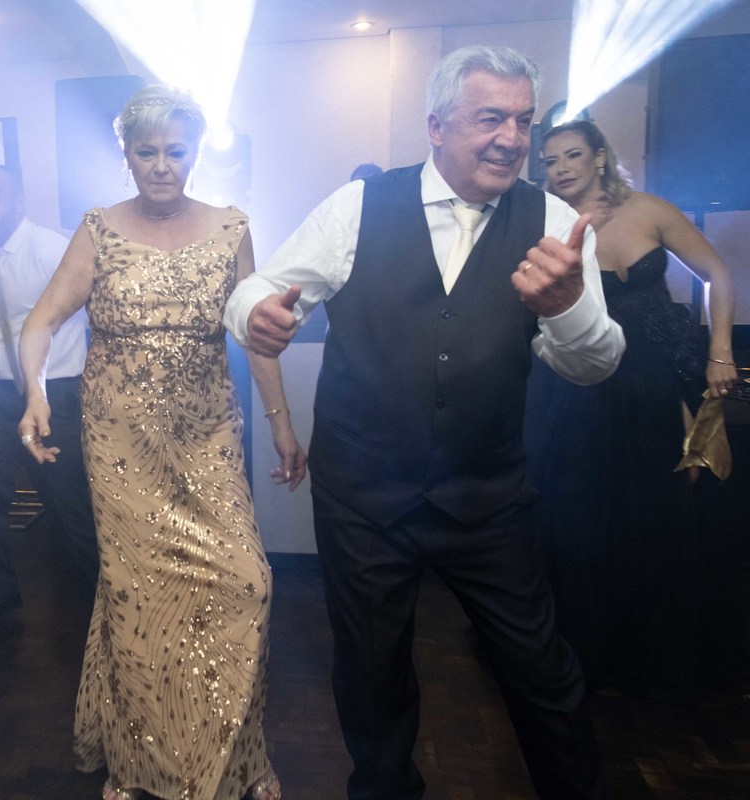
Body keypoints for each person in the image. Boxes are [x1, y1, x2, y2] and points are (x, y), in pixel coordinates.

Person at [225, 46, 625, 799]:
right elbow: (259, 287)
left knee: (542, 671)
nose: (511, 138)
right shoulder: (358, 207)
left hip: (487, 497)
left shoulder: (555, 222)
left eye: (523, 121)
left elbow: (595, 364)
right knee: (371, 673)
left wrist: (568, 306)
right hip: (363, 496)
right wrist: (258, 315)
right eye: (490, 118)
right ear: (437, 127)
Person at [18, 85, 302, 800]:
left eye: (175, 151)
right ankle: (139, 763)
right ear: (127, 155)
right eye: (146, 152)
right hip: (120, 439)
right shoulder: (98, 228)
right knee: (137, 597)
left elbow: (257, 335)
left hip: (208, 436)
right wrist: (34, 392)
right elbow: (40, 322)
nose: (162, 166)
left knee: (247, 584)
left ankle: (237, 755)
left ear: (196, 152)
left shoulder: (232, 228)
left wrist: (281, 423)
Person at [525, 119, 738, 703]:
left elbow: (718, 274)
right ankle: (584, 653)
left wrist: (720, 351)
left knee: (665, 506)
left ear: (599, 157)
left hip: (660, 376)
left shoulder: (649, 210)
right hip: (583, 383)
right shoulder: (546, 227)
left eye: (572, 155)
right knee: (583, 514)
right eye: (550, 161)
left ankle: (655, 652)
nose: (560, 168)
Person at [0, 163, 99, 641]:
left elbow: (92, 313)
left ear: (19, 202)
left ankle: (103, 612)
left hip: (57, 391)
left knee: (69, 506)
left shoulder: (52, 248)